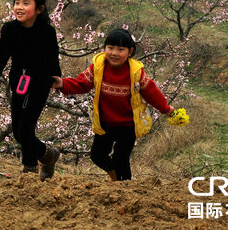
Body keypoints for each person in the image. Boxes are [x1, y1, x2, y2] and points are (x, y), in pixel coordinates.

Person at [51, 28, 174, 182]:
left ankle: (125, 187)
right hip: (105, 123)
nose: (114, 53)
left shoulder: (135, 72)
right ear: (105, 48)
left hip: (127, 126)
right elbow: (82, 84)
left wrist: (166, 109)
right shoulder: (98, 67)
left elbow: (151, 92)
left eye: (120, 49)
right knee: (97, 155)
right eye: (110, 48)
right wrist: (62, 83)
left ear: (130, 52)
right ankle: (113, 174)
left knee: (121, 159)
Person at [0, 0, 62, 181]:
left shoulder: (47, 31)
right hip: (19, 83)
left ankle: (29, 171)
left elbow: (53, 57)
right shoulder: (9, 30)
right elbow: (0, 60)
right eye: (17, 2)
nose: (19, 7)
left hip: (40, 84)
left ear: (39, 9)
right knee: (17, 131)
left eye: (25, 3)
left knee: (26, 128)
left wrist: (57, 77)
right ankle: (48, 155)